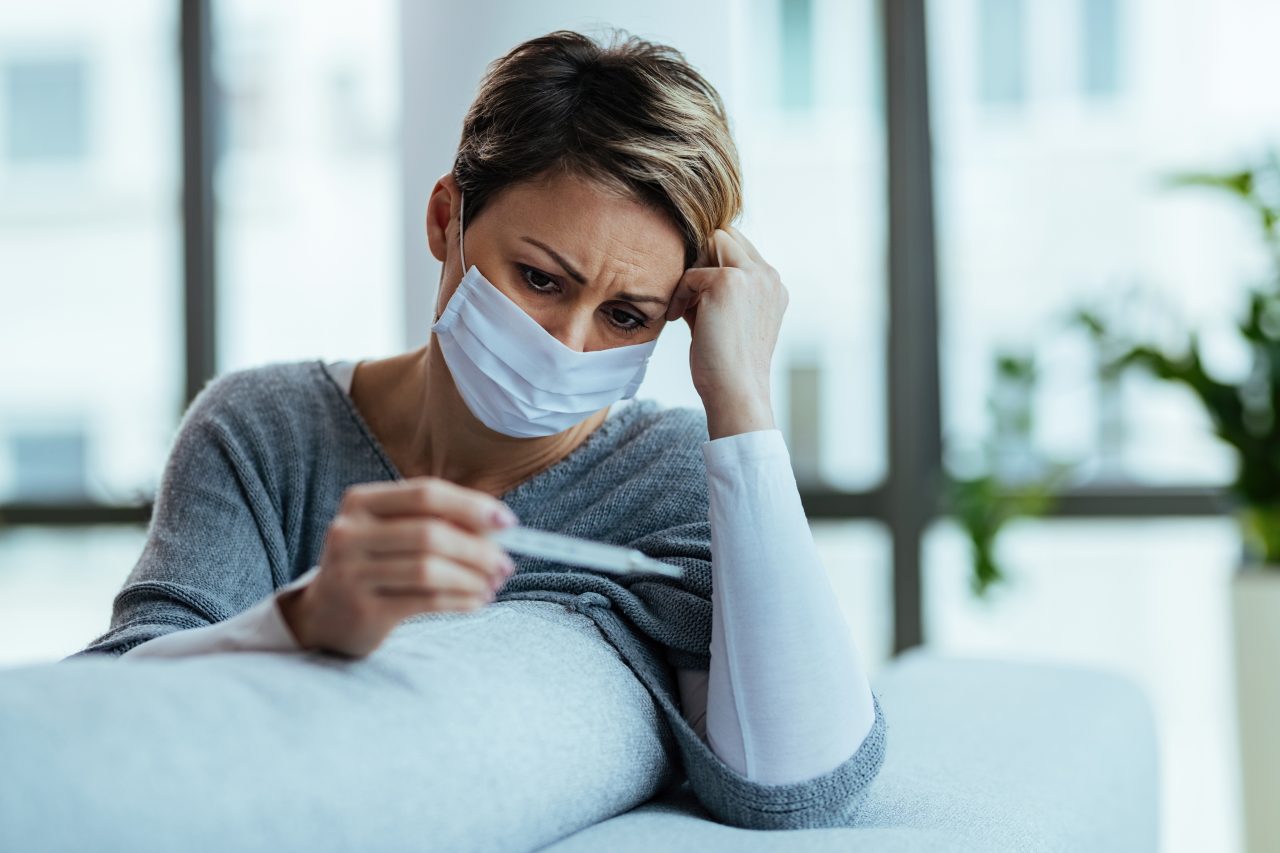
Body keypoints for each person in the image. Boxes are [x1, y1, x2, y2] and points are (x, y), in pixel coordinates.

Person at [2, 28, 885, 848]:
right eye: (539, 278)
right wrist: (302, 621)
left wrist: (743, 397)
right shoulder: (263, 429)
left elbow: (799, 784)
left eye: (625, 315)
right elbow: (109, 703)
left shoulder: (673, 478)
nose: (566, 344)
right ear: (444, 222)